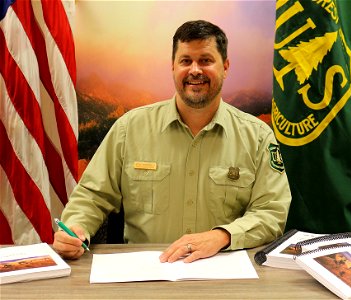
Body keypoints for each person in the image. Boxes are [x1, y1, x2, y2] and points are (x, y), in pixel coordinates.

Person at [53, 20, 291, 262]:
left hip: (223, 274)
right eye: (186, 61)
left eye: (206, 60)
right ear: (173, 67)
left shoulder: (258, 137)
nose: (195, 70)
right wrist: (75, 228)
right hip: (146, 273)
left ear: (226, 66)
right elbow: (93, 196)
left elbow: (271, 211)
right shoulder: (129, 129)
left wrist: (223, 236)